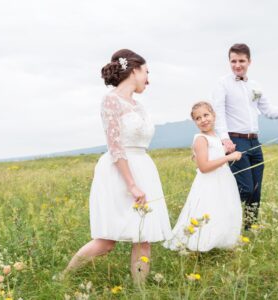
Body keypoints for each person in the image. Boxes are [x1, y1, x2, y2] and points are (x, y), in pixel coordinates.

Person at [63, 49, 172, 283]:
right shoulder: (110, 101)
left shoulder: (139, 106)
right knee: (106, 241)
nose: (148, 79)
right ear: (134, 70)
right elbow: (115, 147)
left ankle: (139, 292)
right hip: (118, 172)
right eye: (146, 72)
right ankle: (64, 278)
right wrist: (132, 185)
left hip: (144, 167)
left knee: (143, 236)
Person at [212, 43, 278, 229]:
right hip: (235, 142)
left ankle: (250, 229)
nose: (237, 65)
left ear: (249, 61)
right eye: (233, 61)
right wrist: (225, 139)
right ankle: (221, 222)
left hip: (254, 142)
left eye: (241, 61)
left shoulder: (255, 86)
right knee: (246, 188)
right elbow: (218, 112)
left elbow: (269, 111)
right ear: (229, 62)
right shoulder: (222, 83)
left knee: (256, 190)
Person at [164, 101, 243, 252]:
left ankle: (221, 242)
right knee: (208, 210)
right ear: (195, 122)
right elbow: (204, 167)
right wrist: (229, 157)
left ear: (214, 115)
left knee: (224, 209)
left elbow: (213, 156)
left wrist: (224, 151)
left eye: (206, 115)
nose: (203, 120)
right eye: (198, 118)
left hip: (223, 180)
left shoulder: (216, 137)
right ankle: (199, 243)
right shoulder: (200, 139)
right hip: (209, 182)